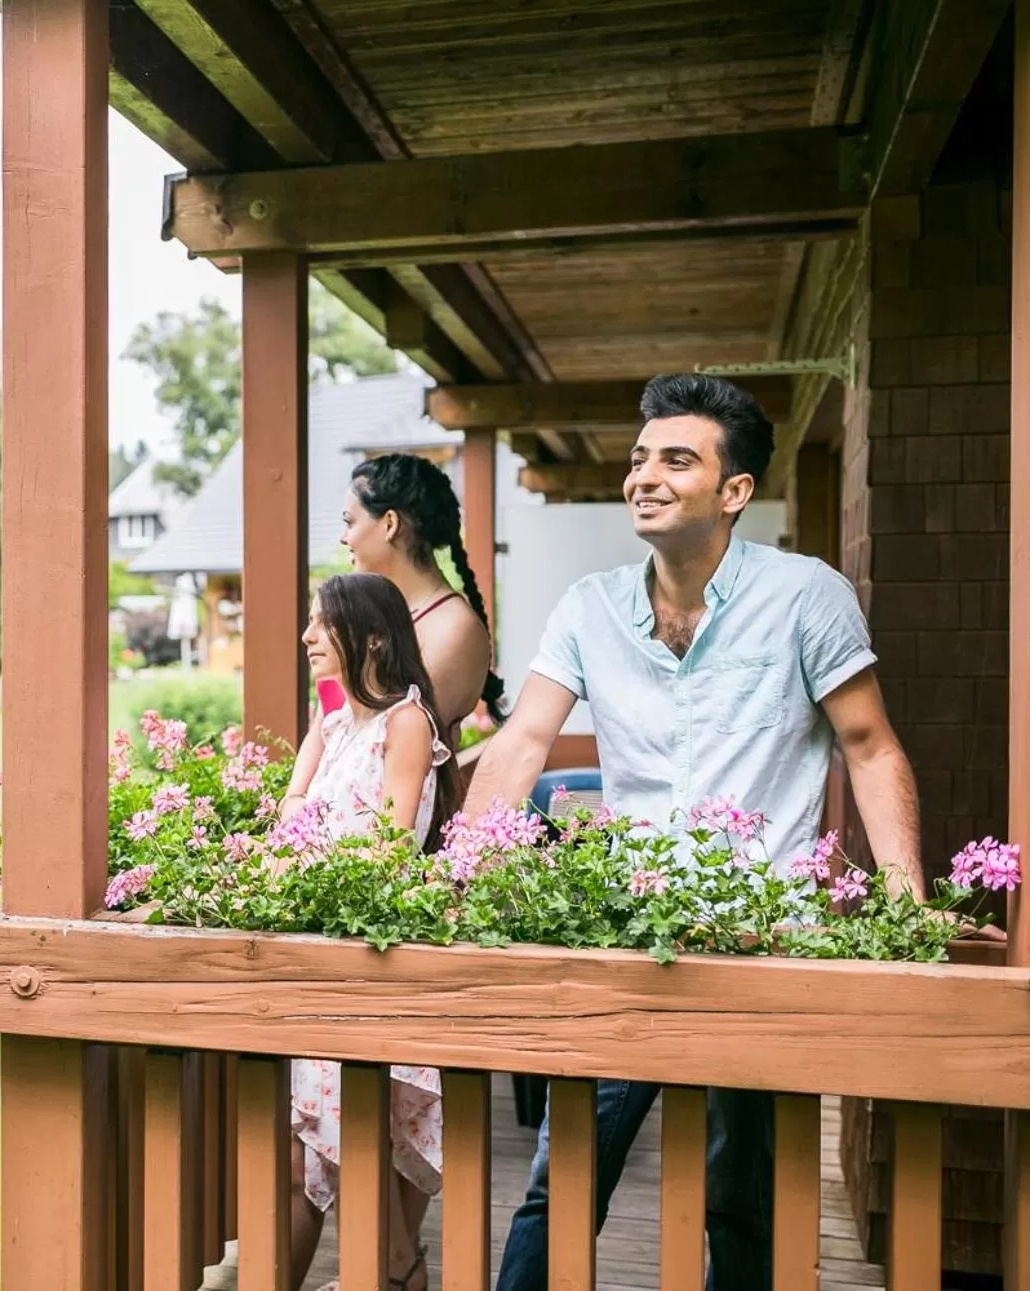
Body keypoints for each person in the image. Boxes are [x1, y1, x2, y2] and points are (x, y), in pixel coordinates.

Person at [462, 373, 925, 1290]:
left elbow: (870, 749)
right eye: (640, 459)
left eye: (678, 459)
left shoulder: (807, 596)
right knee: (561, 1184)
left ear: (735, 490)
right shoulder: (591, 606)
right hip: (629, 936)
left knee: (741, 1197)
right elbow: (520, 742)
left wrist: (907, 905)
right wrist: (459, 872)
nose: (646, 475)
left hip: (764, 945)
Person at [286, 572, 459, 1291]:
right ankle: (392, 1273)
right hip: (323, 954)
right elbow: (288, 818)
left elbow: (391, 843)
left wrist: (310, 860)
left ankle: (395, 1271)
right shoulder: (329, 725)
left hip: (371, 954)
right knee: (327, 1134)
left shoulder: (405, 721)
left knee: (353, 1124)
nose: (307, 638)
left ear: (373, 635)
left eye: (321, 624)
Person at [281, 454, 502, 816]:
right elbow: (327, 723)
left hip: (382, 833)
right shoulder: (371, 618)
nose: (342, 537)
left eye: (349, 522)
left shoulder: (454, 629)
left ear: (389, 524)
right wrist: (294, 800)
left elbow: (395, 742)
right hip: (328, 821)